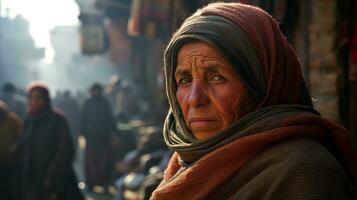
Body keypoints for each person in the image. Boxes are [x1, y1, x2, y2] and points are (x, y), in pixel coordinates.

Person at [151, 3, 357, 200]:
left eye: (217, 77)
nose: (195, 99)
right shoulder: (187, 164)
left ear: (262, 84)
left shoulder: (301, 173)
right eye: (184, 80)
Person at [19, 82, 83, 200]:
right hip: (32, 181)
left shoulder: (57, 119)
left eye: (39, 98)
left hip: (55, 181)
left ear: (46, 99)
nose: (35, 102)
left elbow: (66, 151)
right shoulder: (28, 121)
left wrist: (52, 175)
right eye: (31, 98)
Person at [80, 83, 116, 191]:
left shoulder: (105, 103)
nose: (96, 92)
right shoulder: (87, 103)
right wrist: (84, 133)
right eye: (94, 90)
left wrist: (113, 131)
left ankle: (104, 183)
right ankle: (90, 184)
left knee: (104, 162)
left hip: (104, 138)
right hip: (91, 138)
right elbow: (83, 119)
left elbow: (110, 118)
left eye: (98, 90)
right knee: (91, 163)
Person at [0, 100, 22, 200]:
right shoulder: (13, 120)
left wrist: (14, 150)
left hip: (11, 165)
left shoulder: (13, 120)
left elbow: (22, 140)